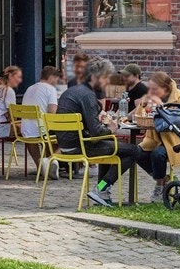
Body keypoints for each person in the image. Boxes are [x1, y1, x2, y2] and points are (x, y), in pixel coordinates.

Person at [53, 56, 144, 207]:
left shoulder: (73, 91)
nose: (108, 82)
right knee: (134, 150)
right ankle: (102, 188)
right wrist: (111, 129)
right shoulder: (88, 95)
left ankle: (100, 193)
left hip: (65, 145)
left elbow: (89, 124)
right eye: (107, 78)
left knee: (109, 147)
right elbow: (96, 132)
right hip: (80, 146)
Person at [131, 71, 180, 203]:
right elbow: (139, 115)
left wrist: (161, 110)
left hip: (175, 137)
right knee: (137, 153)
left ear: (165, 88)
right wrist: (143, 105)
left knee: (158, 154)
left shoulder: (179, 97)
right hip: (154, 137)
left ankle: (159, 186)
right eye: (150, 89)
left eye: (154, 89)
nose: (151, 91)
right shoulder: (150, 97)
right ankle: (163, 179)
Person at [19, 66, 63, 161]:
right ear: (51, 77)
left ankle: (40, 166)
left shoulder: (29, 88)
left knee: (37, 133)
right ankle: (50, 162)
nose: (56, 82)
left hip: (26, 130)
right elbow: (52, 113)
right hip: (42, 131)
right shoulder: (50, 89)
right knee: (67, 134)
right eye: (56, 79)